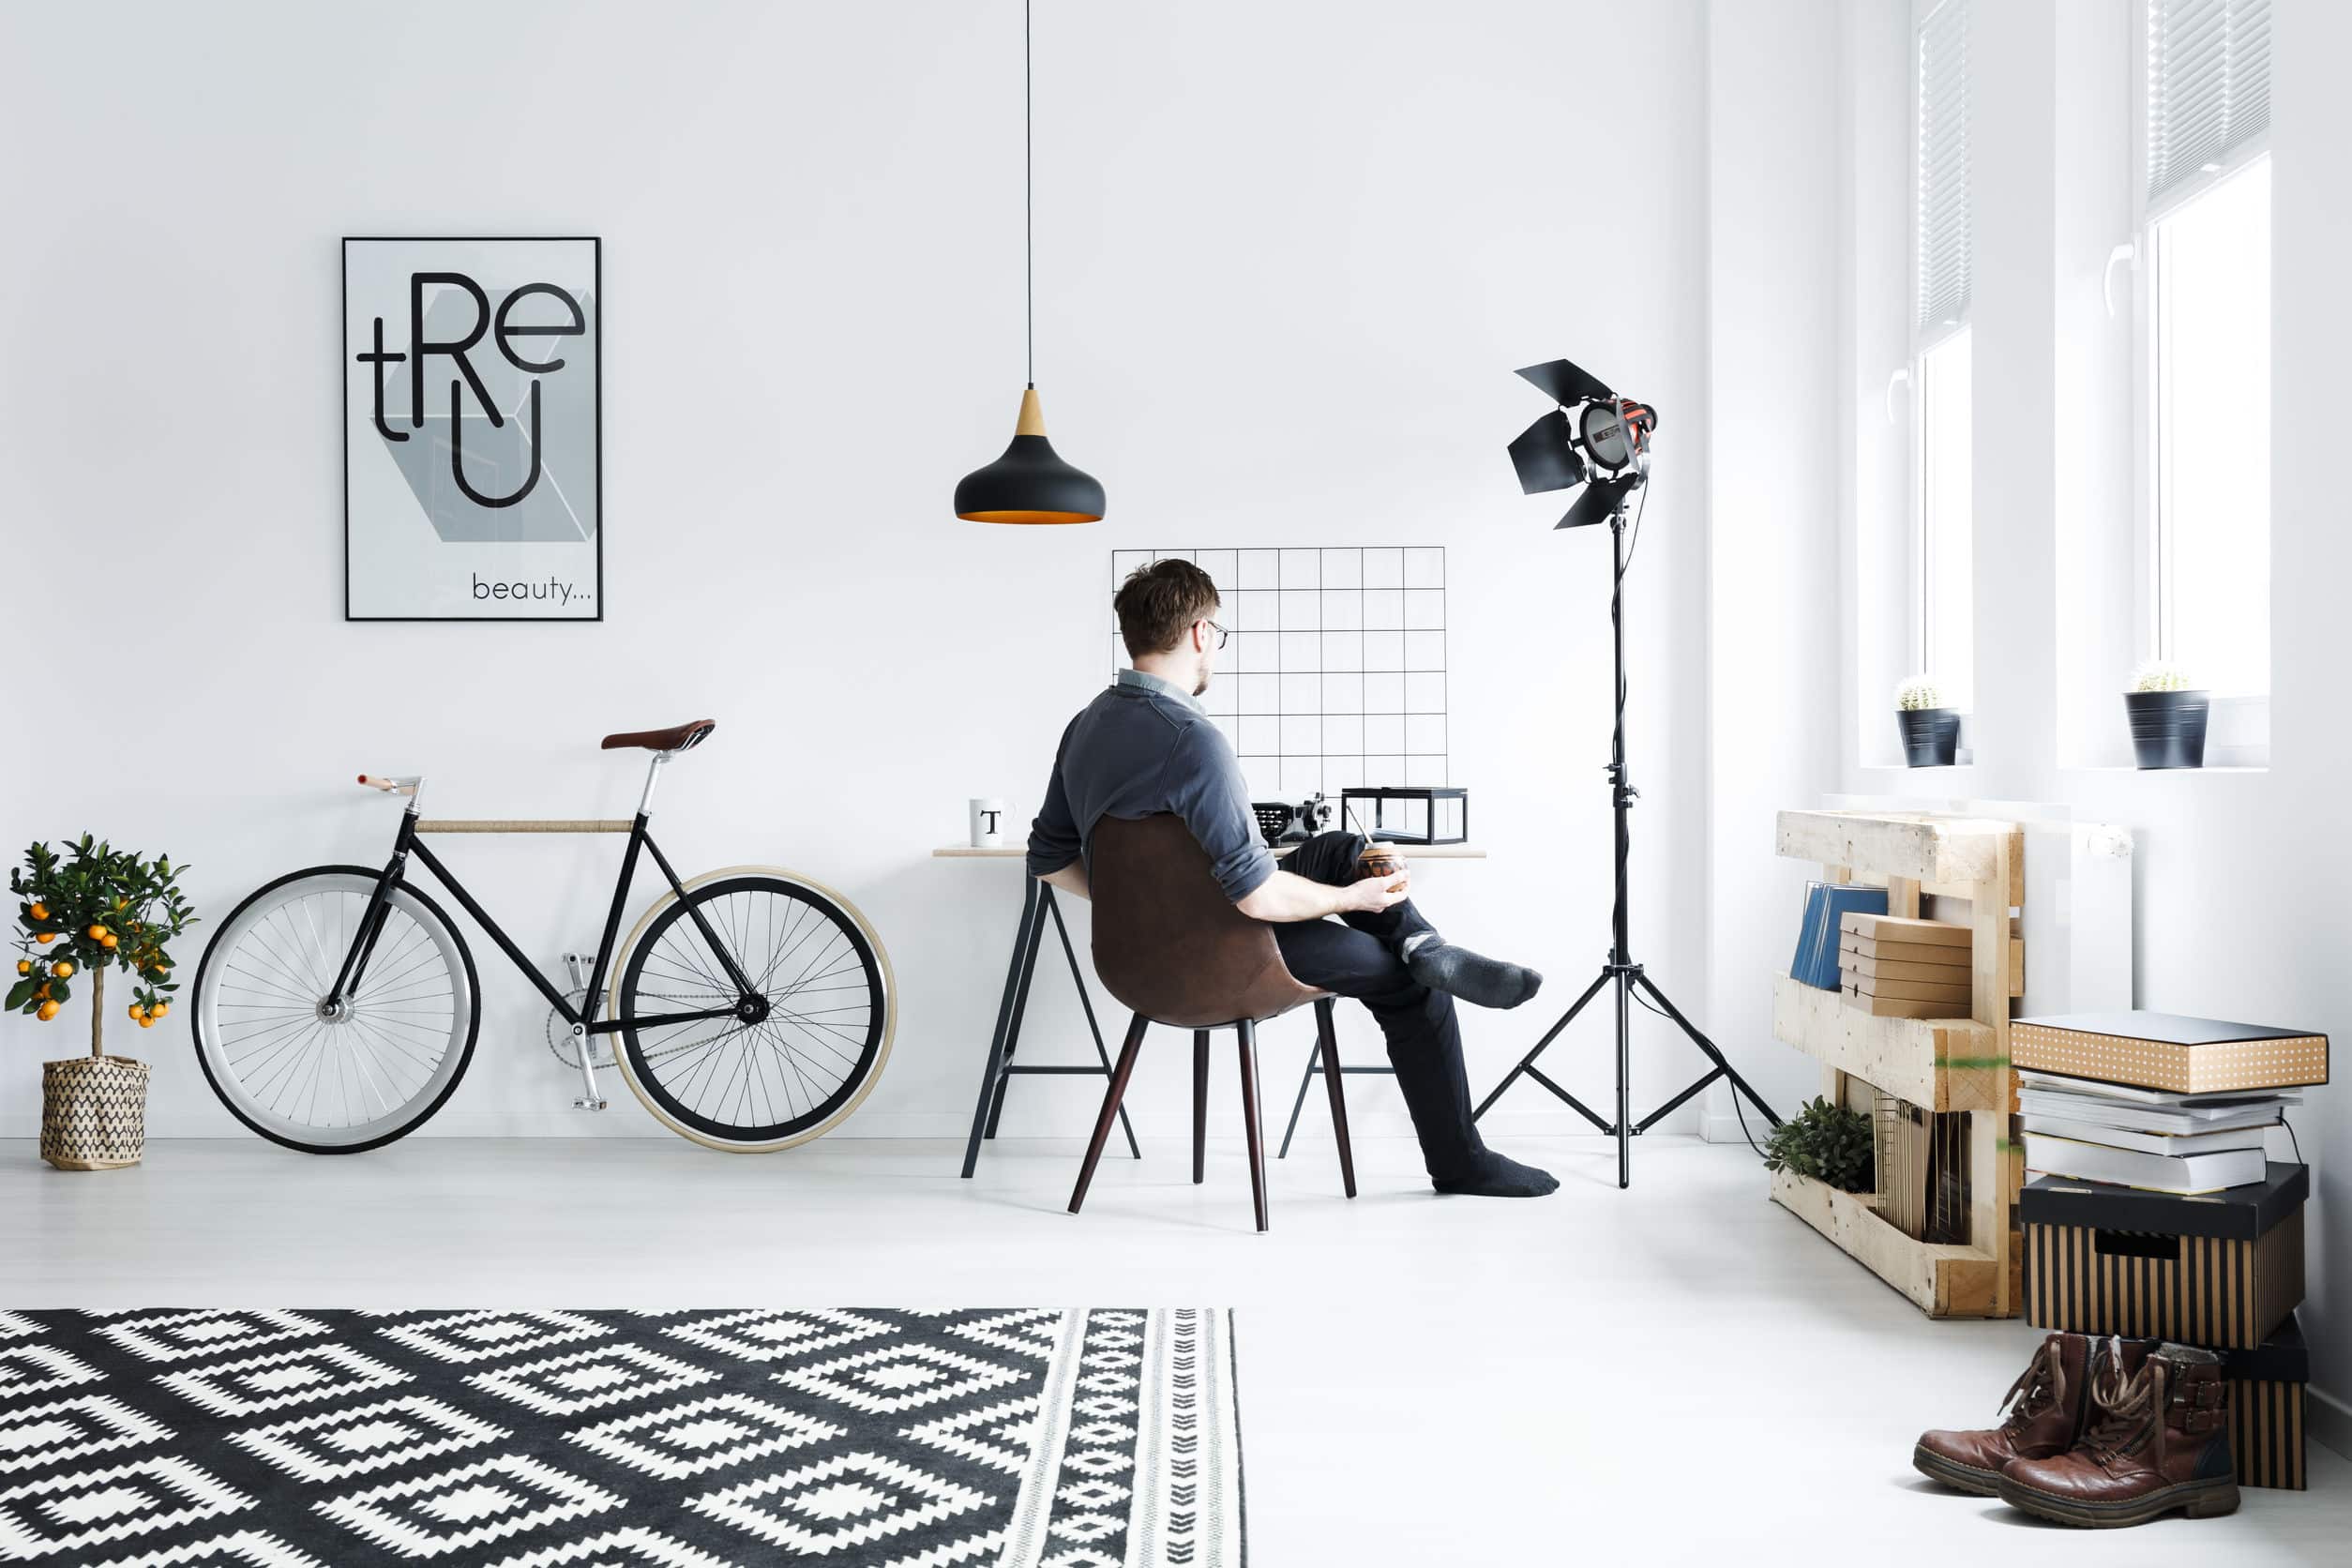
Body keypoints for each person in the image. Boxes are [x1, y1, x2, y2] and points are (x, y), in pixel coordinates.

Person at [1026, 559, 1557, 1198]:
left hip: (1133, 963)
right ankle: (1460, 1158)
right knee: (1412, 990)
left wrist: (1130, 906)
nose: (1215, 650)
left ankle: (1422, 941)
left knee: (1335, 847)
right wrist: (1354, 899)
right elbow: (1255, 894)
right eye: (1218, 636)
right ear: (1199, 632)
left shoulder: (1084, 727)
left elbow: (1049, 858)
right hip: (1229, 953)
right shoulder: (1192, 739)